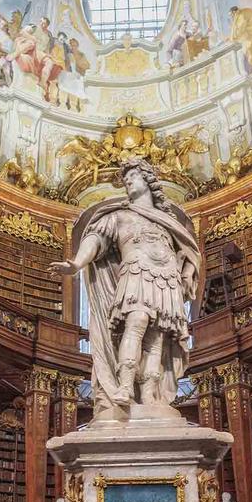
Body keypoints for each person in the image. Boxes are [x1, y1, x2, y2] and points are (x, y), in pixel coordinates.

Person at [49, 158, 200, 420]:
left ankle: (151, 395)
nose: (128, 182)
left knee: (158, 338)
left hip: (166, 278)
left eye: (134, 177)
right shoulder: (117, 215)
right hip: (136, 272)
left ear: (148, 181)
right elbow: (96, 240)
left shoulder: (166, 220)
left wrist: (187, 272)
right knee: (136, 322)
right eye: (126, 179)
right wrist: (76, 263)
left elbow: (188, 252)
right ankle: (125, 386)